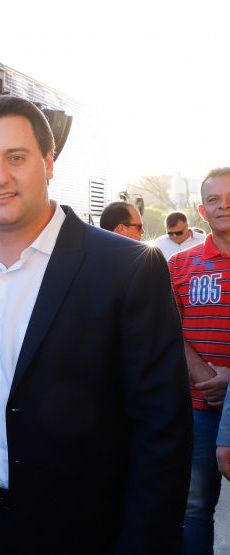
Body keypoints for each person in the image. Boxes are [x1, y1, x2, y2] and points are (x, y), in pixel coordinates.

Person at [0, 94, 192, 554]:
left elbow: (162, 432)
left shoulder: (127, 267)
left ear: (49, 162)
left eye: (16, 157)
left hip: (82, 532)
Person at [175, 168, 230, 554]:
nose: (224, 206)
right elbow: (166, 329)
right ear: (201, 210)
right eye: (214, 200)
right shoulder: (178, 265)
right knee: (193, 509)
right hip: (198, 409)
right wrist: (207, 379)